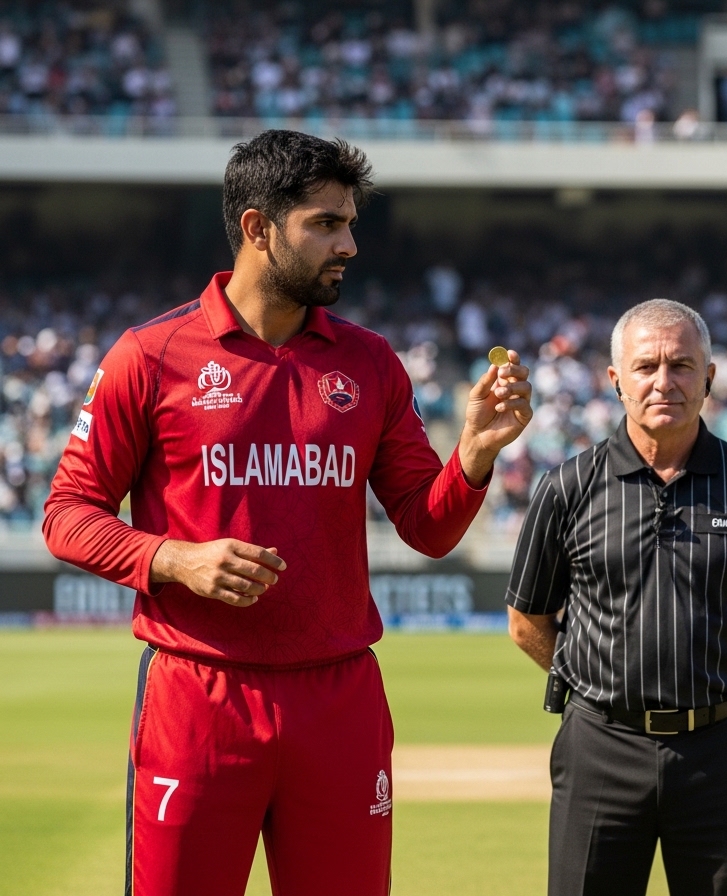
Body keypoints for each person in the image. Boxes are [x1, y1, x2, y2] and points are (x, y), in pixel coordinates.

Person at [42, 130, 533, 896]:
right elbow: (66, 513)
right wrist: (175, 558)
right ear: (258, 228)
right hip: (198, 695)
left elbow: (427, 528)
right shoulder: (150, 355)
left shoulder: (370, 362)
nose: (351, 244)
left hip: (339, 700)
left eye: (351, 223)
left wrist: (472, 453)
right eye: (326, 224)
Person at [506, 299, 727, 896]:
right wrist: (601, 687)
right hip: (599, 748)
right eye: (646, 367)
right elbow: (526, 620)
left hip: (720, 752)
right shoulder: (567, 486)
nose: (663, 381)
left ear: (709, 377)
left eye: (681, 365)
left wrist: (719, 683)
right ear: (616, 380)